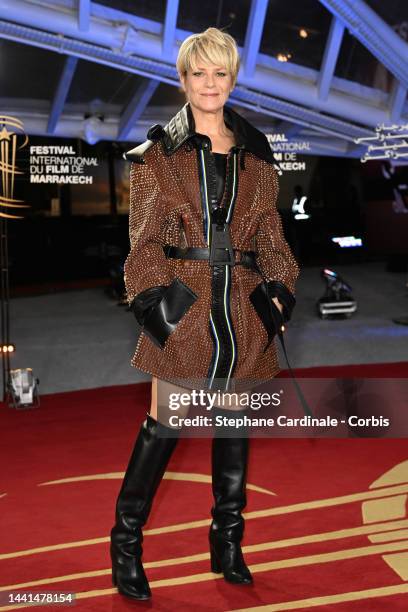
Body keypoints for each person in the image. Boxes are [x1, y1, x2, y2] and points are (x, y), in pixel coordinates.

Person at [110, 27, 300, 600]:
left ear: (232, 78)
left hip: (243, 305)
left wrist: (278, 296)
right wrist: (162, 315)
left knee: (234, 423)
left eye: (220, 72)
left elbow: (272, 237)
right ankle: (125, 546)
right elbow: (141, 247)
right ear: (183, 78)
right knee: (165, 424)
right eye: (199, 73)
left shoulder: (257, 153)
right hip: (185, 303)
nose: (210, 83)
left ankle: (228, 541)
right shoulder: (158, 155)